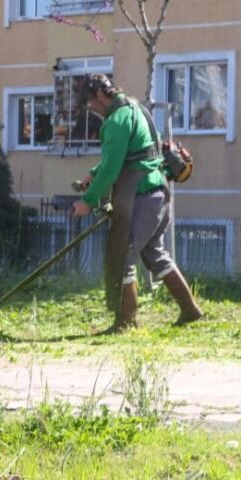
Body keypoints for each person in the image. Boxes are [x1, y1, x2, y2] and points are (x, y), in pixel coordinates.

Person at [72, 74, 205, 332]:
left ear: (101, 96)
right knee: (154, 253)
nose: (91, 110)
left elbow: (112, 169)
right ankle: (190, 310)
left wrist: (87, 202)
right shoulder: (136, 109)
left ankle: (126, 322)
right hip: (159, 193)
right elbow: (137, 152)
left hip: (142, 196)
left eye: (90, 103)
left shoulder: (117, 120)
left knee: (125, 255)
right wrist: (93, 173)